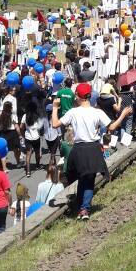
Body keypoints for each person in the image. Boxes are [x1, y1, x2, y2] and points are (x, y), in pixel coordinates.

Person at [53, 82, 116, 222]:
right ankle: (84, 208)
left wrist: (55, 108)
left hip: (79, 149)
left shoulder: (73, 112)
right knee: (89, 179)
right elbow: (112, 126)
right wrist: (123, 114)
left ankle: (81, 206)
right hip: (93, 148)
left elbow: (55, 124)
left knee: (81, 178)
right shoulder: (97, 112)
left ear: (77, 96)